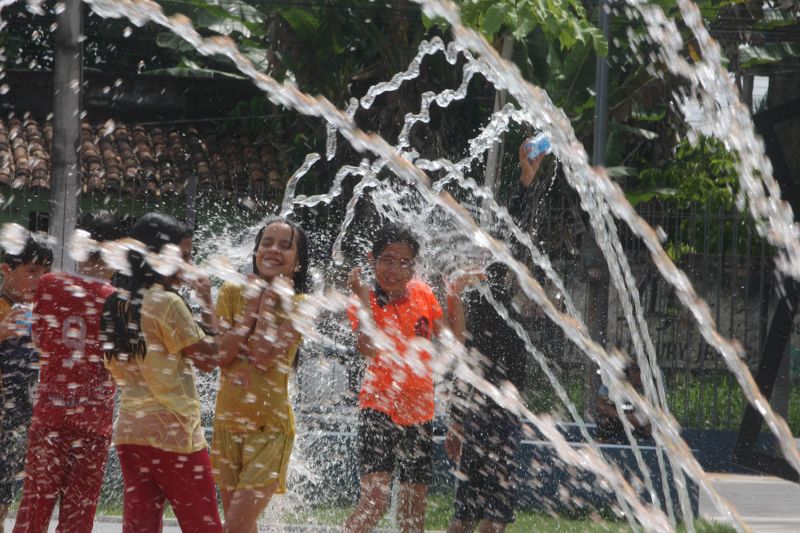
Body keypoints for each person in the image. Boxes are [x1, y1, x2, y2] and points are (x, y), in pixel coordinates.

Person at [444, 141, 549, 533]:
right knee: (461, 521)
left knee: (491, 522)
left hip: (503, 409)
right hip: (474, 414)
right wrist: (456, 421)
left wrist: (525, 181)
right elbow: (457, 357)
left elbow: (515, 235)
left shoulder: (498, 295)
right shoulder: (460, 298)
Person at [102, 212, 223, 533]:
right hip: (175, 434)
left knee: (140, 528)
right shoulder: (168, 302)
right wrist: (207, 304)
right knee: (204, 527)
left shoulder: (114, 303)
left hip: (130, 433)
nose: (187, 266)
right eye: (182, 257)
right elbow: (209, 359)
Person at [343, 223, 465, 533]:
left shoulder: (423, 293)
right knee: (374, 503)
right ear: (373, 260)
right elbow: (367, 347)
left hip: (420, 414)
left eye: (404, 262)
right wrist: (360, 297)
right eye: (387, 259)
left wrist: (454, 296)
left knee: (414, 514)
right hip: (379, 409)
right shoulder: (364, 297)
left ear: (414, 265)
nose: (394, 269)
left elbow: (454, 343)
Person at [12, 212, 122, 533]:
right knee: (79, 514)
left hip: (51, 413)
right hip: (94, 419)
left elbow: (39, 341)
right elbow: (117, 362)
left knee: (34, 505)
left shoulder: (49, 285)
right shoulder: (116, 301)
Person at [211, 218, 310, 533]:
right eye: (267, 242)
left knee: (237, 526)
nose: (273, 250)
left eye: (285, 245)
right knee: (241, 526)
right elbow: (223, 355)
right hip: (227, 424)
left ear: (298, 261)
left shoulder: (301, 304)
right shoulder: (231, 291)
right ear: (255, 250)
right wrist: (253, 304)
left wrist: (266, 305)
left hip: (270, 429)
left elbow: (264, 357)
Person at [0, 234, 53, 533]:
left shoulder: (38, 315)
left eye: (45, 272)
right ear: (6, 270)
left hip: (14, 422)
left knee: (4, 495)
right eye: (31, 272)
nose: (39, 280)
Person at [595, 362, 652, 443]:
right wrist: (622, 416)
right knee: (605, 421)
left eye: (644, 372)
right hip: (614, 420)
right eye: (637, 371)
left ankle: (644, 446)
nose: (641, 375)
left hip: (635, 422)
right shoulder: (611, 383)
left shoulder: (647, 387)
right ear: (629, 371)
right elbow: (600, 405)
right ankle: (601, 446)